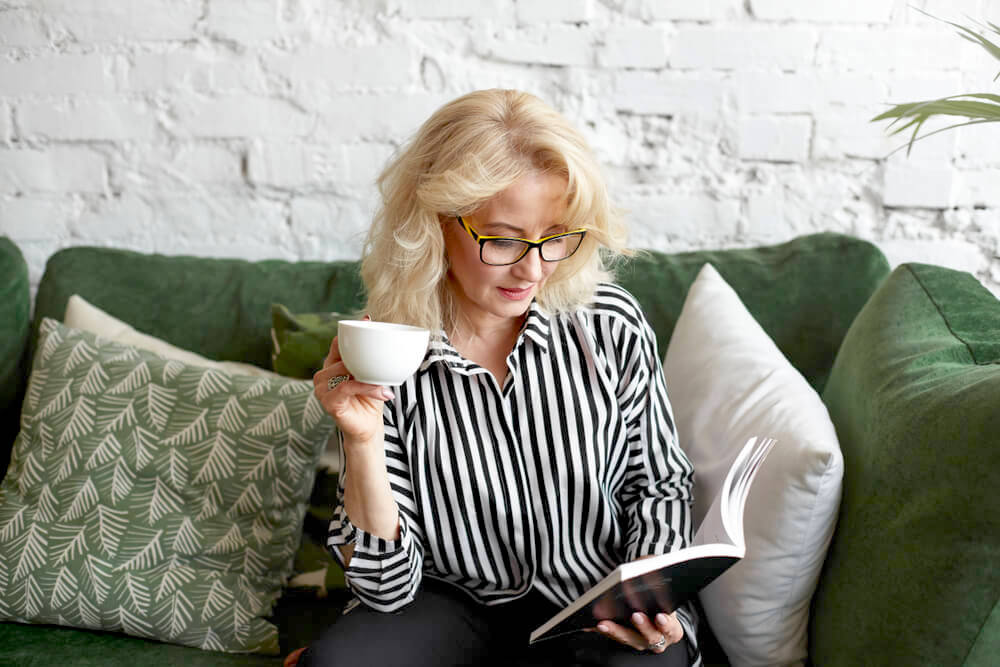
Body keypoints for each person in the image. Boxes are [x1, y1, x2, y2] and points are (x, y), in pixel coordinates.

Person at [290, 89, 700, 667]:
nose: (532, 268)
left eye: (554, 236)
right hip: (448, 603)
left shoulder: (608, 324)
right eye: (503, 238)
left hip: (594, 602)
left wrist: (654, 607)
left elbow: (658, 486)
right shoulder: (387, 351)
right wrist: (361, 440)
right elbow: (384, 589)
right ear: (435, 224)